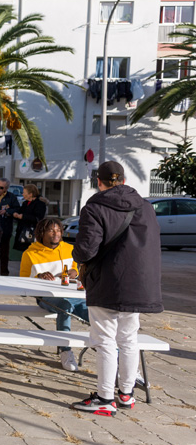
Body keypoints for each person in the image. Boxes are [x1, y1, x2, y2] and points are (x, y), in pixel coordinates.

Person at [70, 161, 163, 416]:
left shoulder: (95, 207)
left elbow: (86, 250)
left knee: (105, 340)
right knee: (129, 339)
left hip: (107, 282)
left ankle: (104, 398)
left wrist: (77, 256)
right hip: (139, 283)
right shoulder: (145, 206)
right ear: (123, 180)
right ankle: (126, 394)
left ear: (99, 182)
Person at [20, 218, 89, 372]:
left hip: (73, 295)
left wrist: (75, 272)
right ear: (41, 233)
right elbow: (22, 282)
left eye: (58, 230)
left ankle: (116, 356)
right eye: (51, 230)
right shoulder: (30, 254)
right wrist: (38, 276)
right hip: (46, 298)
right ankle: (65, 351)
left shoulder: (70, 249)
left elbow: (77, 270)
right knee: (65, 306)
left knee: (95, 313)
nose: (56, 233)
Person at [0, 178, 19, 275]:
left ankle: (4, 273)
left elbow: (17, 209)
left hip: (5, 228)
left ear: (6, 188)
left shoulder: (11, 197)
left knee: (4, 253)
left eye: (1, 188)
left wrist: (7, 212)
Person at [12, 184, 47, 252]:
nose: (22, 194)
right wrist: (16, 215)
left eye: (24, 192)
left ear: (30, 194)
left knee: (32, 253)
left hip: (32, 234)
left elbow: (38, 218)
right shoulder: (25, 203)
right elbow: (20, 213)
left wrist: (23, 216)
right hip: (22, 233)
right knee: (25, 253)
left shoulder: (40, 204)